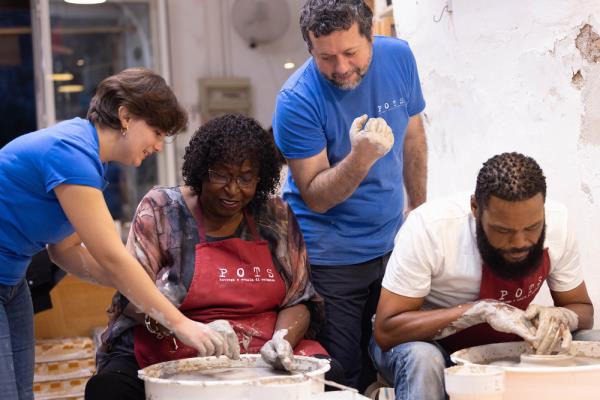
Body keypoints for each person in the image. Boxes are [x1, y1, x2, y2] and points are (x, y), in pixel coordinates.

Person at [0, 68, 237, 400]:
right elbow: (111, 258)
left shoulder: (89, 162)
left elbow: (65, 251)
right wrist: (181, 324)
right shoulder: (72, 152)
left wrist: (142, 283)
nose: (157, 145)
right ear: (125, 116)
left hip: (11, 283)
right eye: (156, 132)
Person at [85, 114, 344, 400]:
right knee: (108, 389)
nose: (233, 190)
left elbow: (299, 300)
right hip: (172, 342)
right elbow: (133, 297)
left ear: (261, 178)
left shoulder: (276, 216)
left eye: (246, 178)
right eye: (220, 175)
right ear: (201, 171)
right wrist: (187, 328)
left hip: (261, 348)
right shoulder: (162, 210)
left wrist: (281, 340)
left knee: (331, 379)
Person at [272, 0, 427, 390]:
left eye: (350, 53)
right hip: (330, 254)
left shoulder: (399, 57)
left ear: (370, 36)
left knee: (403, 355)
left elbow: (413, 138)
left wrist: (419, 214)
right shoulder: (296, 101)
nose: (341, 68)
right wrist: (361, 156)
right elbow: (316, 196)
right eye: (326, 58)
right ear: (310, 49)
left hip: (393, 242)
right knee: (342, 373)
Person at [371, 152, 597, 400]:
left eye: (532, 228)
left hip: (502, 347)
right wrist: (479, 311)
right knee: (424, 359)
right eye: (503, 230)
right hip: (429, 347)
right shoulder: (431, 228)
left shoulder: (558, 222)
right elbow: (387, 330)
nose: (520, 242)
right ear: (475, 209)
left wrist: (561, 316)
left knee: (591, 340)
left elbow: (582, 309)